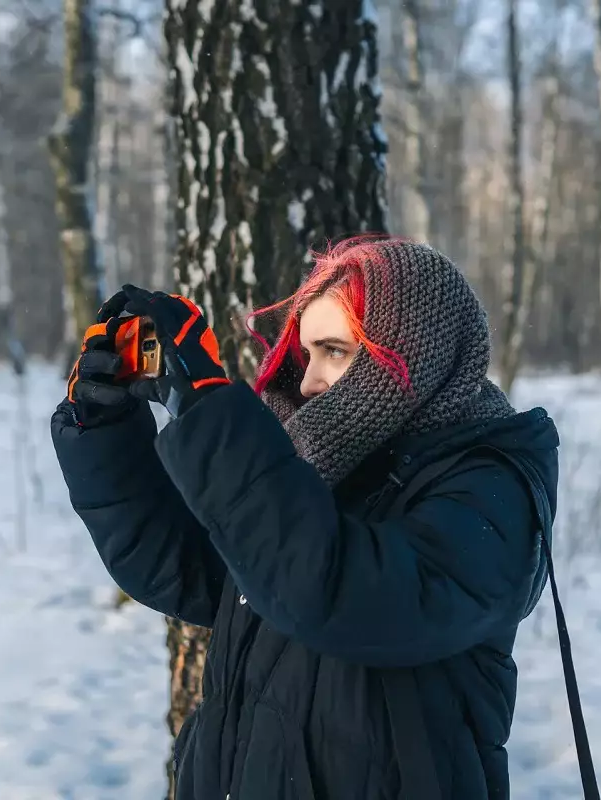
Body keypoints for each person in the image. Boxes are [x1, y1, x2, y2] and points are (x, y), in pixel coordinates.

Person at [51, 236, 560, 799]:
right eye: (306, 354)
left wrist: (209, 415)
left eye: (335, 350)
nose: (310, 381)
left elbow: (339, 594)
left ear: (413, 352)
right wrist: (104, 430)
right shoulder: (322, 461)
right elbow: (192, 569)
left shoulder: (490, 486)